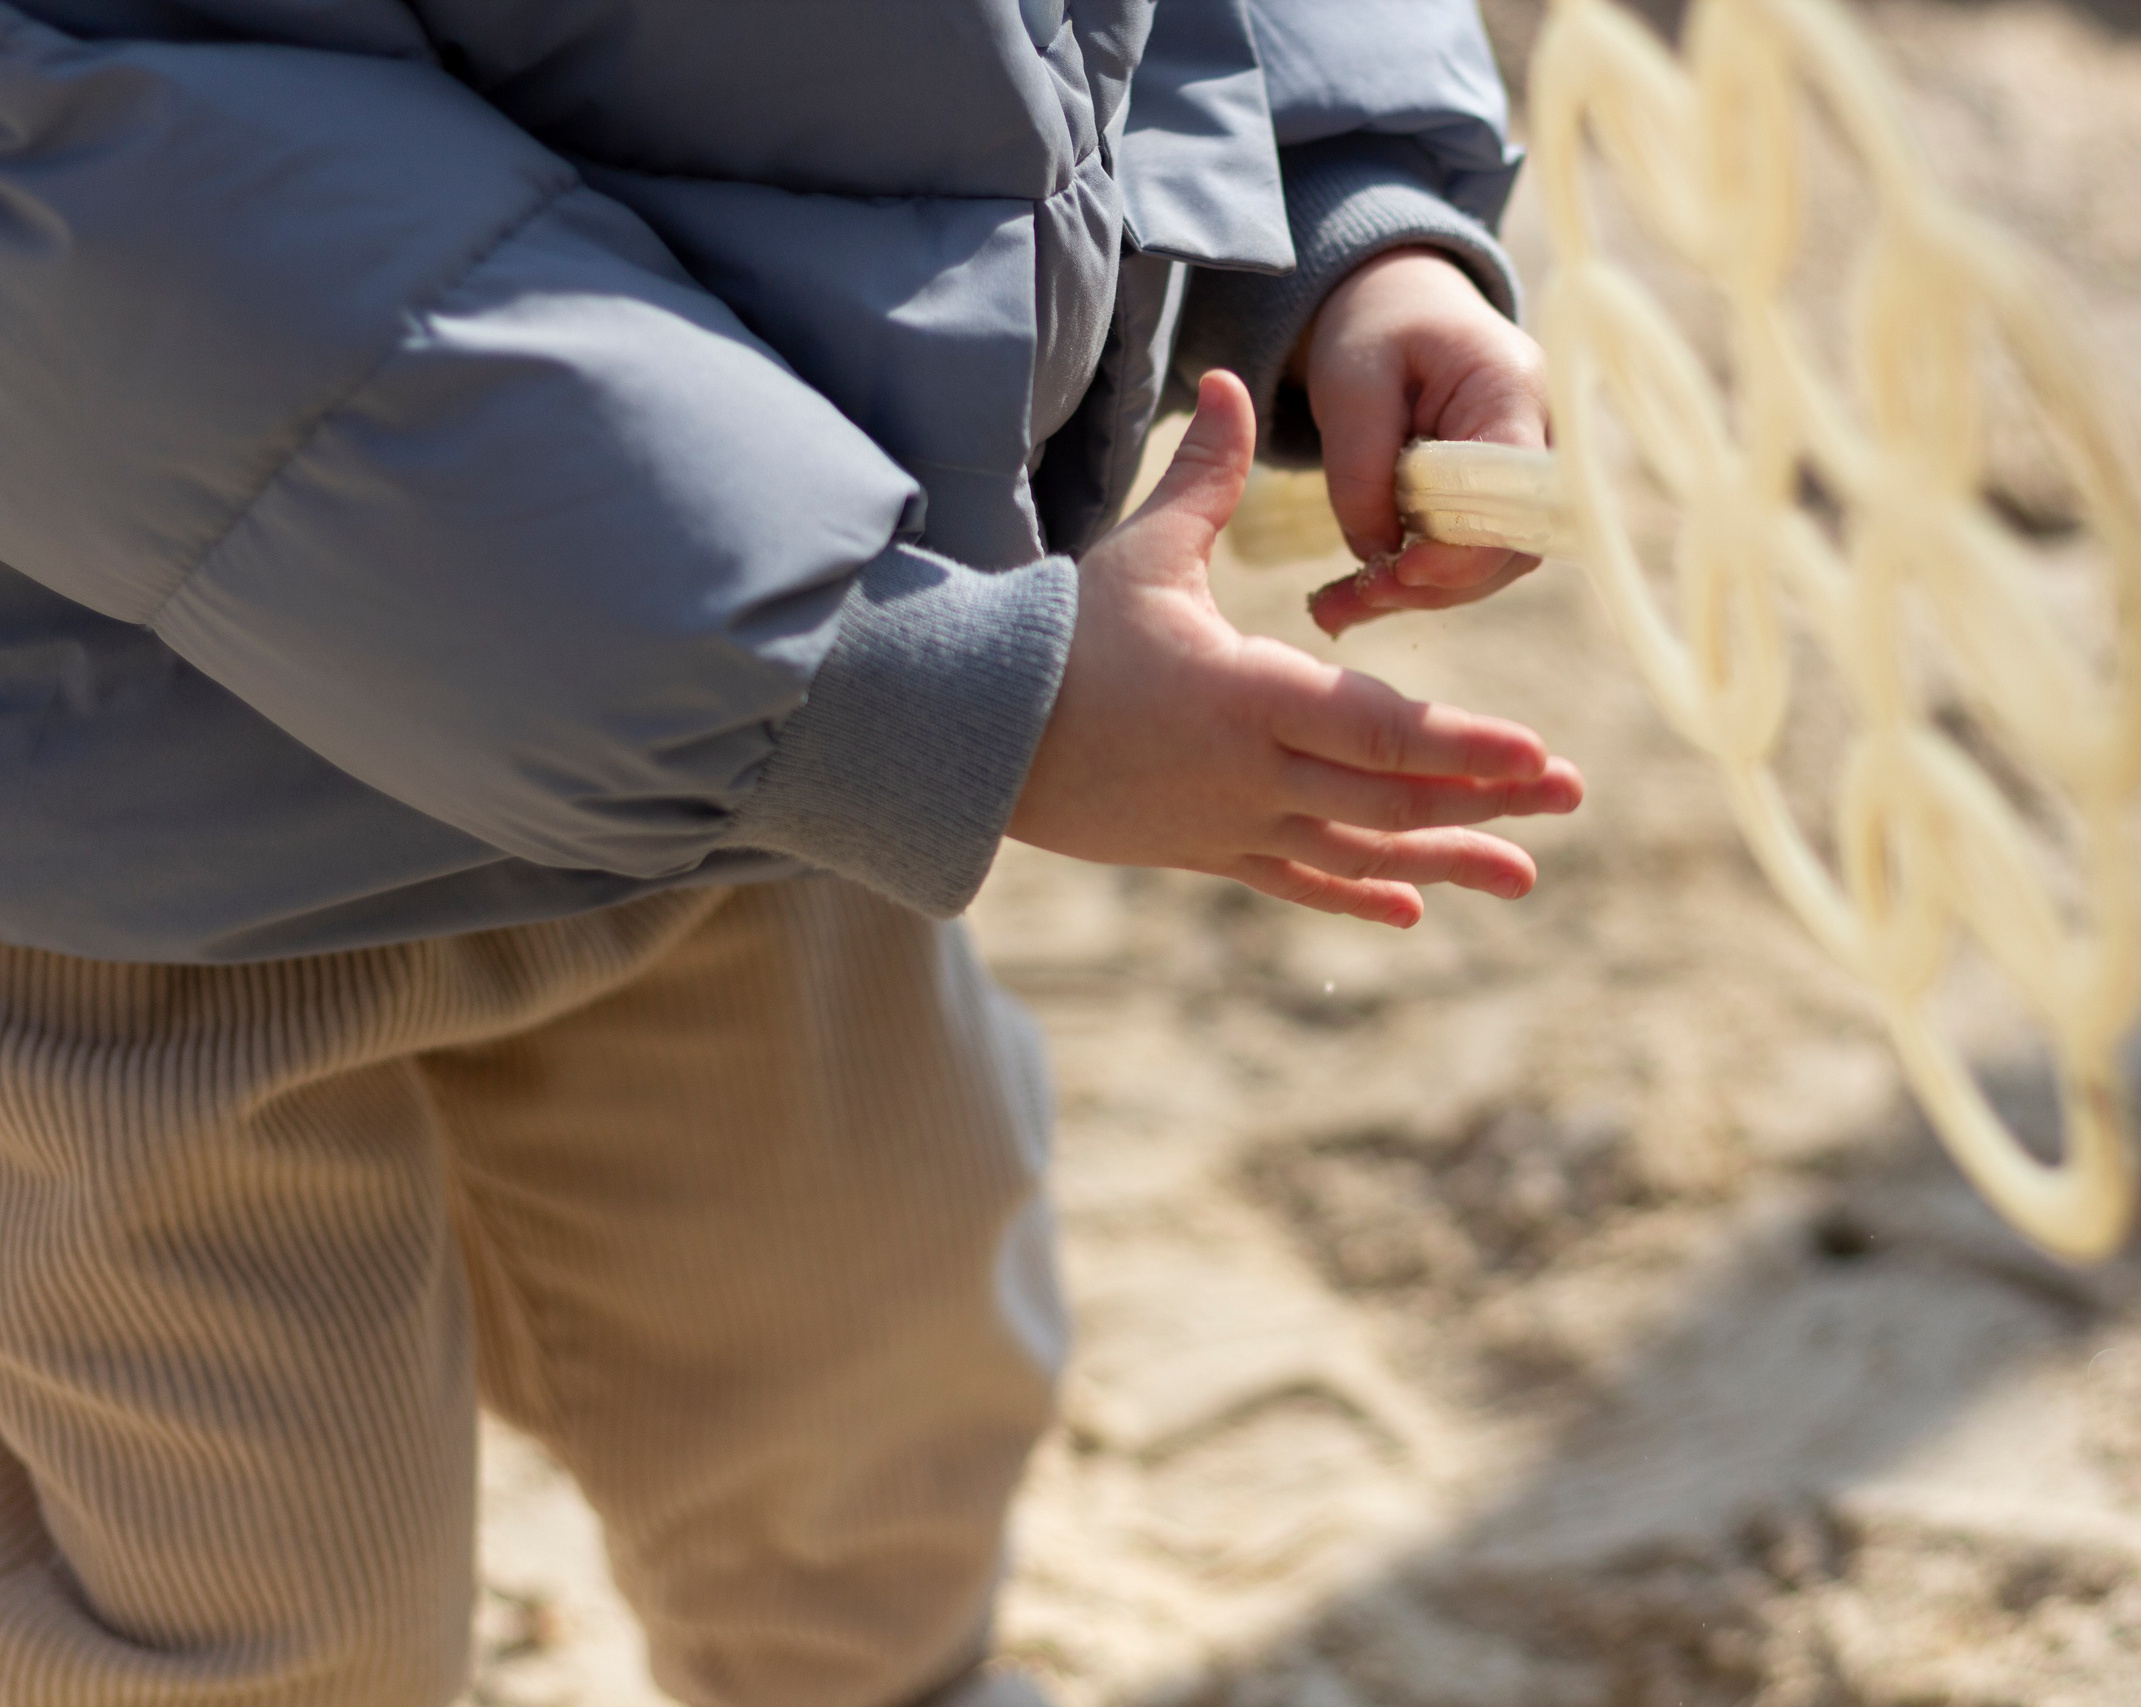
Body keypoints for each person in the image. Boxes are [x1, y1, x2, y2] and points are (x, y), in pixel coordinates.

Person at [0, 1, 1578, 1702]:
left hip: (750, 794)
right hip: (136, 855)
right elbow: (120, 201)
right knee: (259, 1597)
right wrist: (887, 673)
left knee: (869, 1379)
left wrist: (1334, 209)